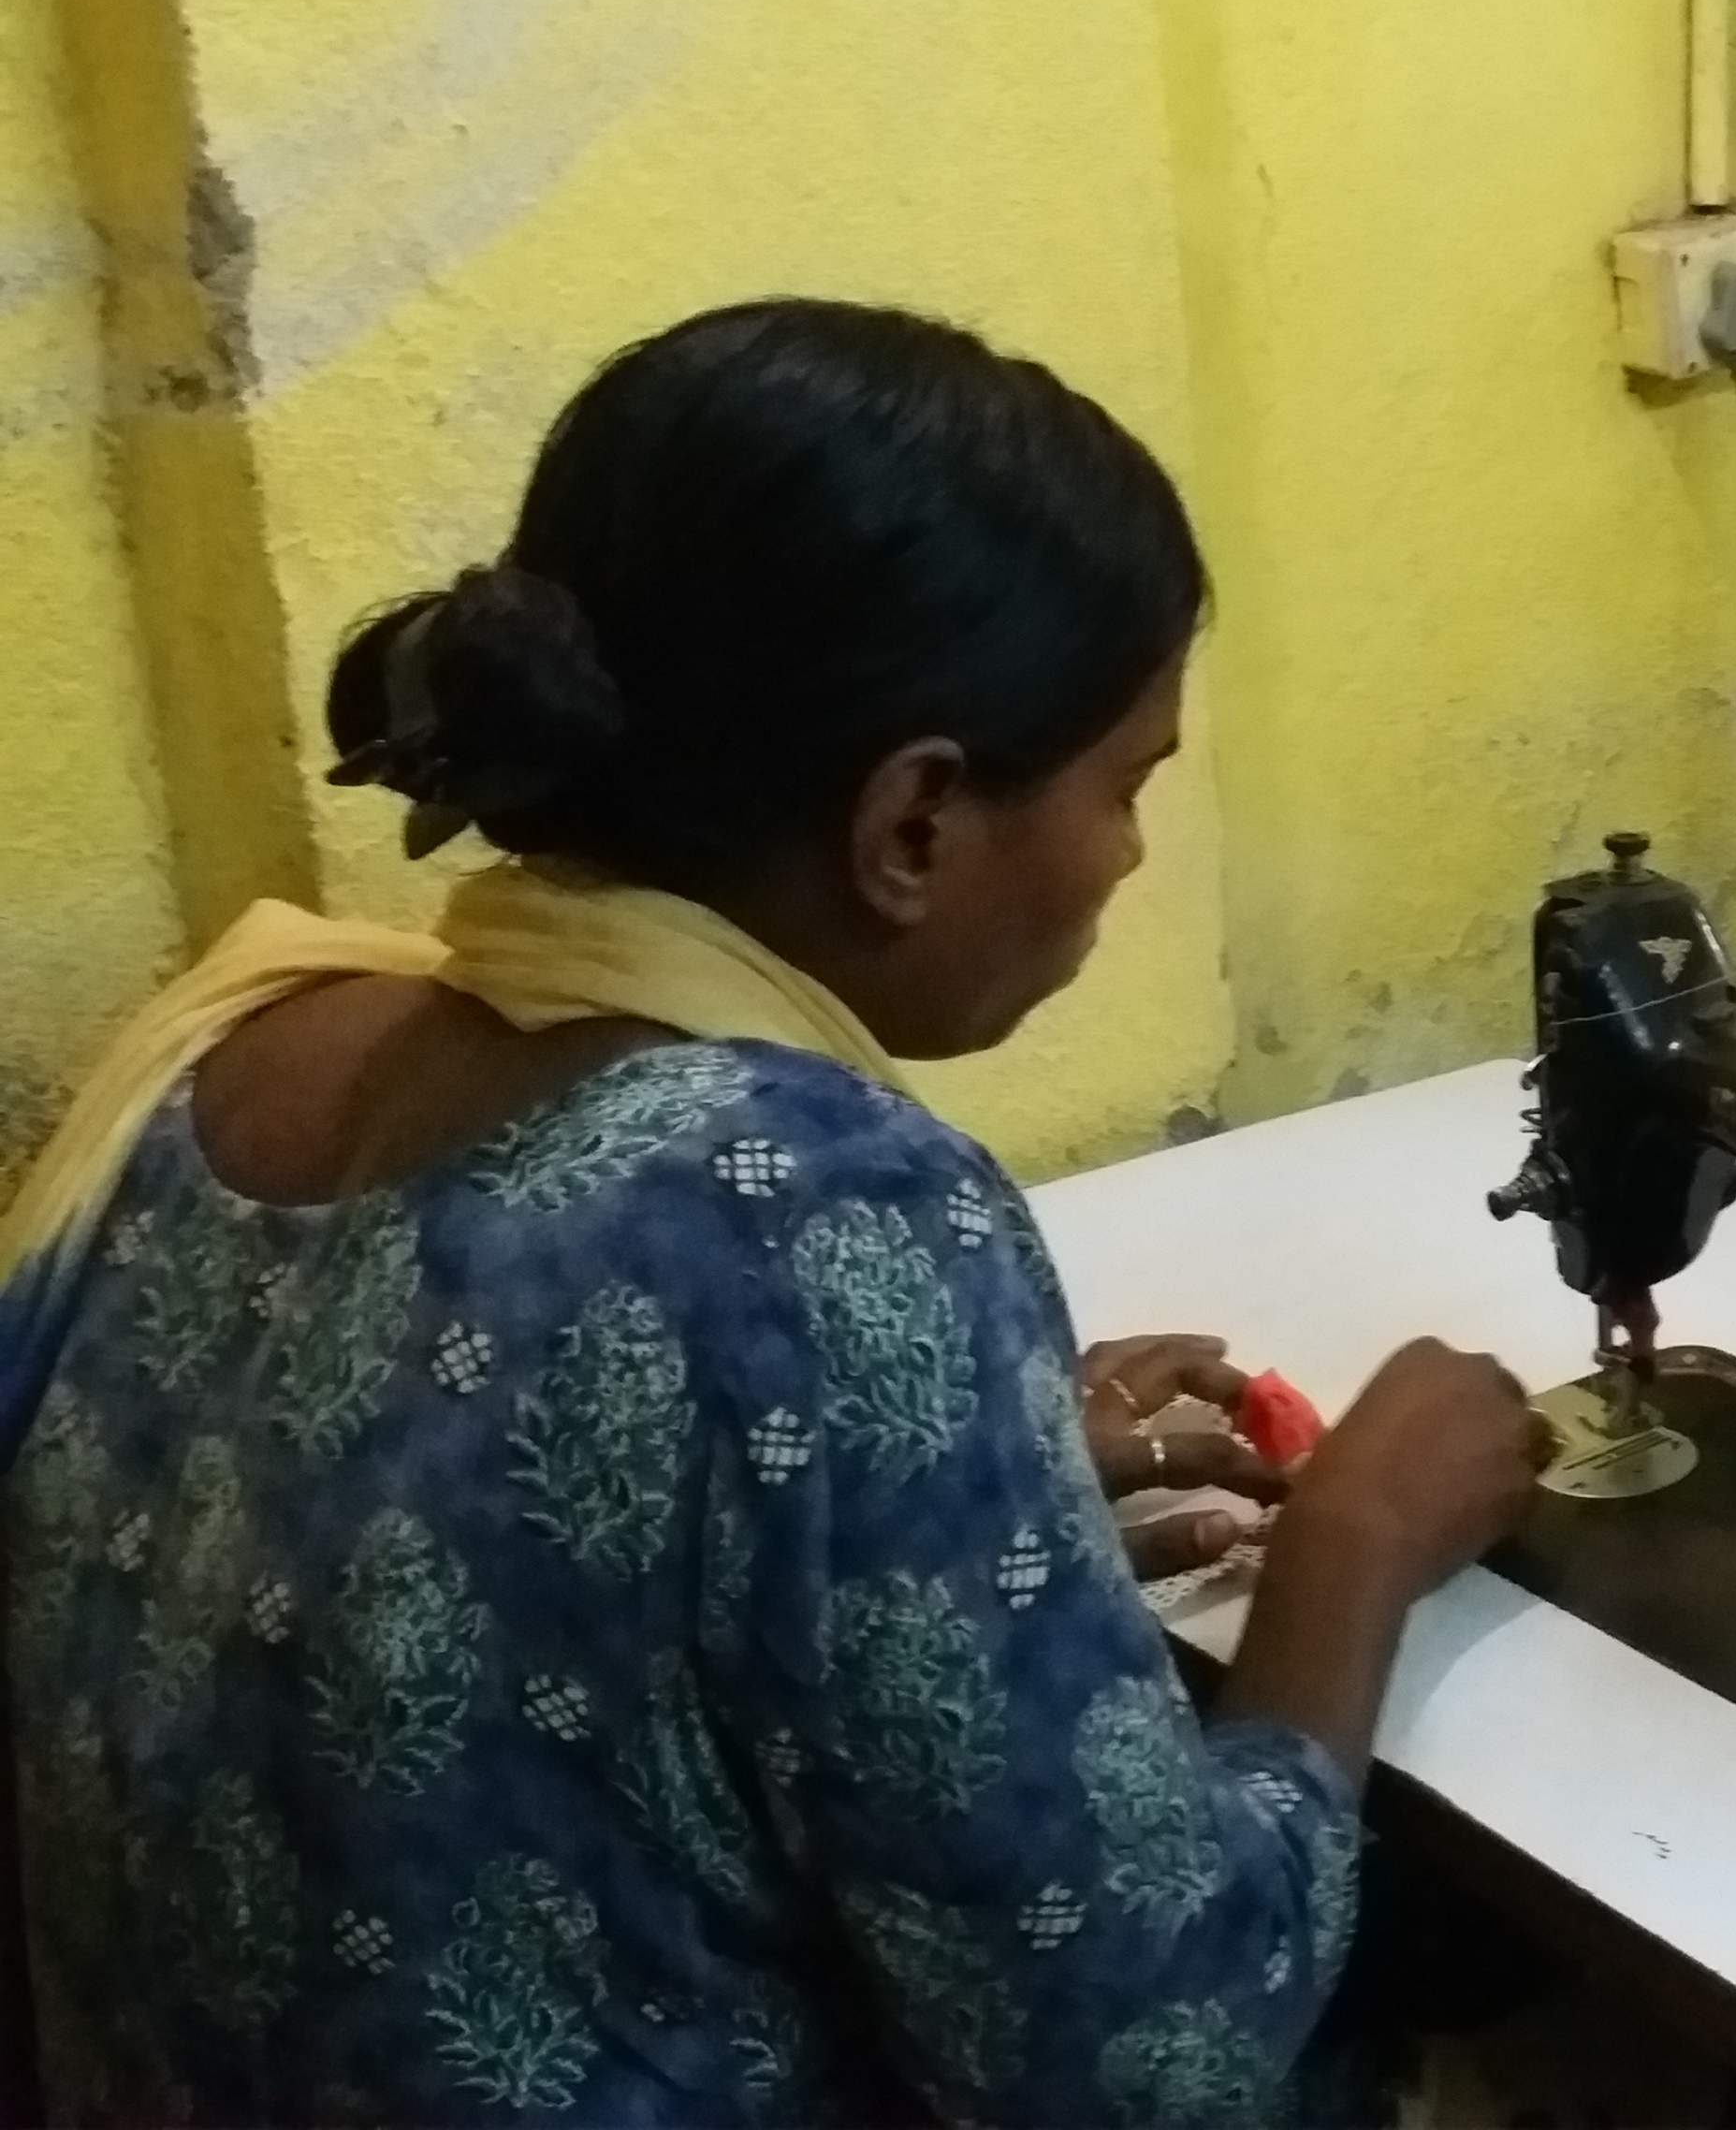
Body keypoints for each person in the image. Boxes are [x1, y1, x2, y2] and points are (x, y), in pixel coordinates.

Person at [0, 300, 1541, 2125]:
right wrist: (1349, 1552)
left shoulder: (234, 1041)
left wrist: (969, 1522)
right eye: (1128, 786)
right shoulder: (822, 1211)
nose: (1130, 855)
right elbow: (1149, 2062)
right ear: (915, 824)